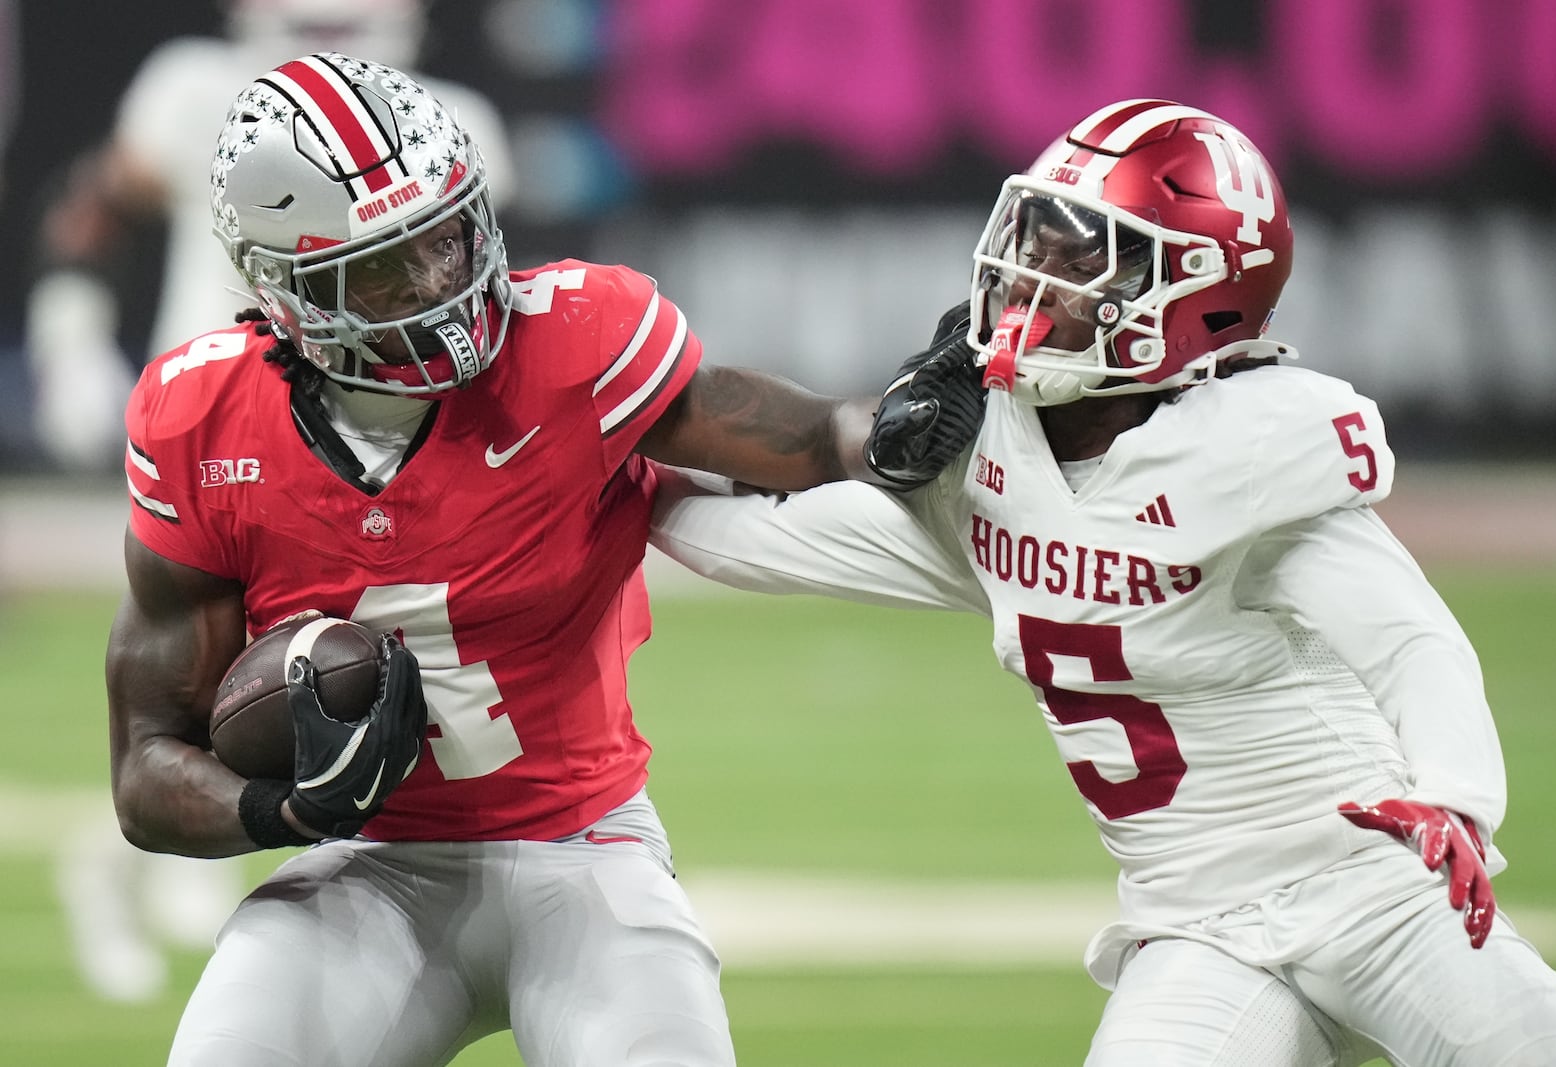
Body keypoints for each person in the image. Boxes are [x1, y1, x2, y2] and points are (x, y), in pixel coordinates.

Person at [650, 99, 1556, 1065]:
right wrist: (617, 488)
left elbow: (1412, 640)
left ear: (1197, 294)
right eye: (1036, 241)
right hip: (1198, 927)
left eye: (1085, 258)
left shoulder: (1246, 450)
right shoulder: (987, 465)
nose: (1034, 277)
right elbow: (768, 540)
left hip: (1372, 888)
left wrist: (1455, 794)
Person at [106, 51, 955, 1065]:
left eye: (444, 237)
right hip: (363, 863)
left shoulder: (575, 340)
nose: (438, 283)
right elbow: (145, 768)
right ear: (287, 290)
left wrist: (900, 420)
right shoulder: (200, 417)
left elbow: (810, 435)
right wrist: (282, 806)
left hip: (586, 848)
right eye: (383, 266)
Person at [38, 1, 517, 1006]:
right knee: (225, 679)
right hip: (217, 433)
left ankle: (157, 860)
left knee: (336, 675)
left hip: (384, 432)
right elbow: (96, 203)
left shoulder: (449, 120)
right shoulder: (195, 92)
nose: (333, 37)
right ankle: (155, 854)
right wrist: (68, 330)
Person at [27, 0, 512, 472]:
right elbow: (91, 213)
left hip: (403, 402)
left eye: (342, 33)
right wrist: (70, 344)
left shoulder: (442, 119)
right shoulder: (193, 91)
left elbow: (486, 271)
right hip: (211, 419)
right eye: (313, 32)